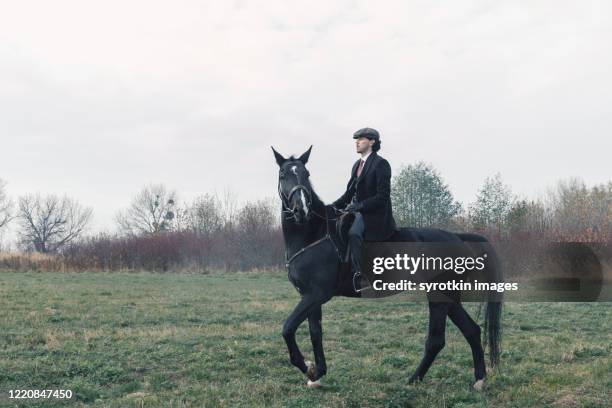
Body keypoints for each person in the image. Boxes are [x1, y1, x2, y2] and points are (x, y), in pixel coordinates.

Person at [333, 127, 397, 291]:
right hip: (357, 212)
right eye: (357, 140)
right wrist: (332, 207)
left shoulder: (381, 164)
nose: (357, 142)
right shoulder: (357, 165)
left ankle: (362, 276)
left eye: (361, 139)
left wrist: (359, 206)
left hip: (375, 216)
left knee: (354, 233)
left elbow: (382, 197)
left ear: (372, 142)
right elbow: (349, 193)